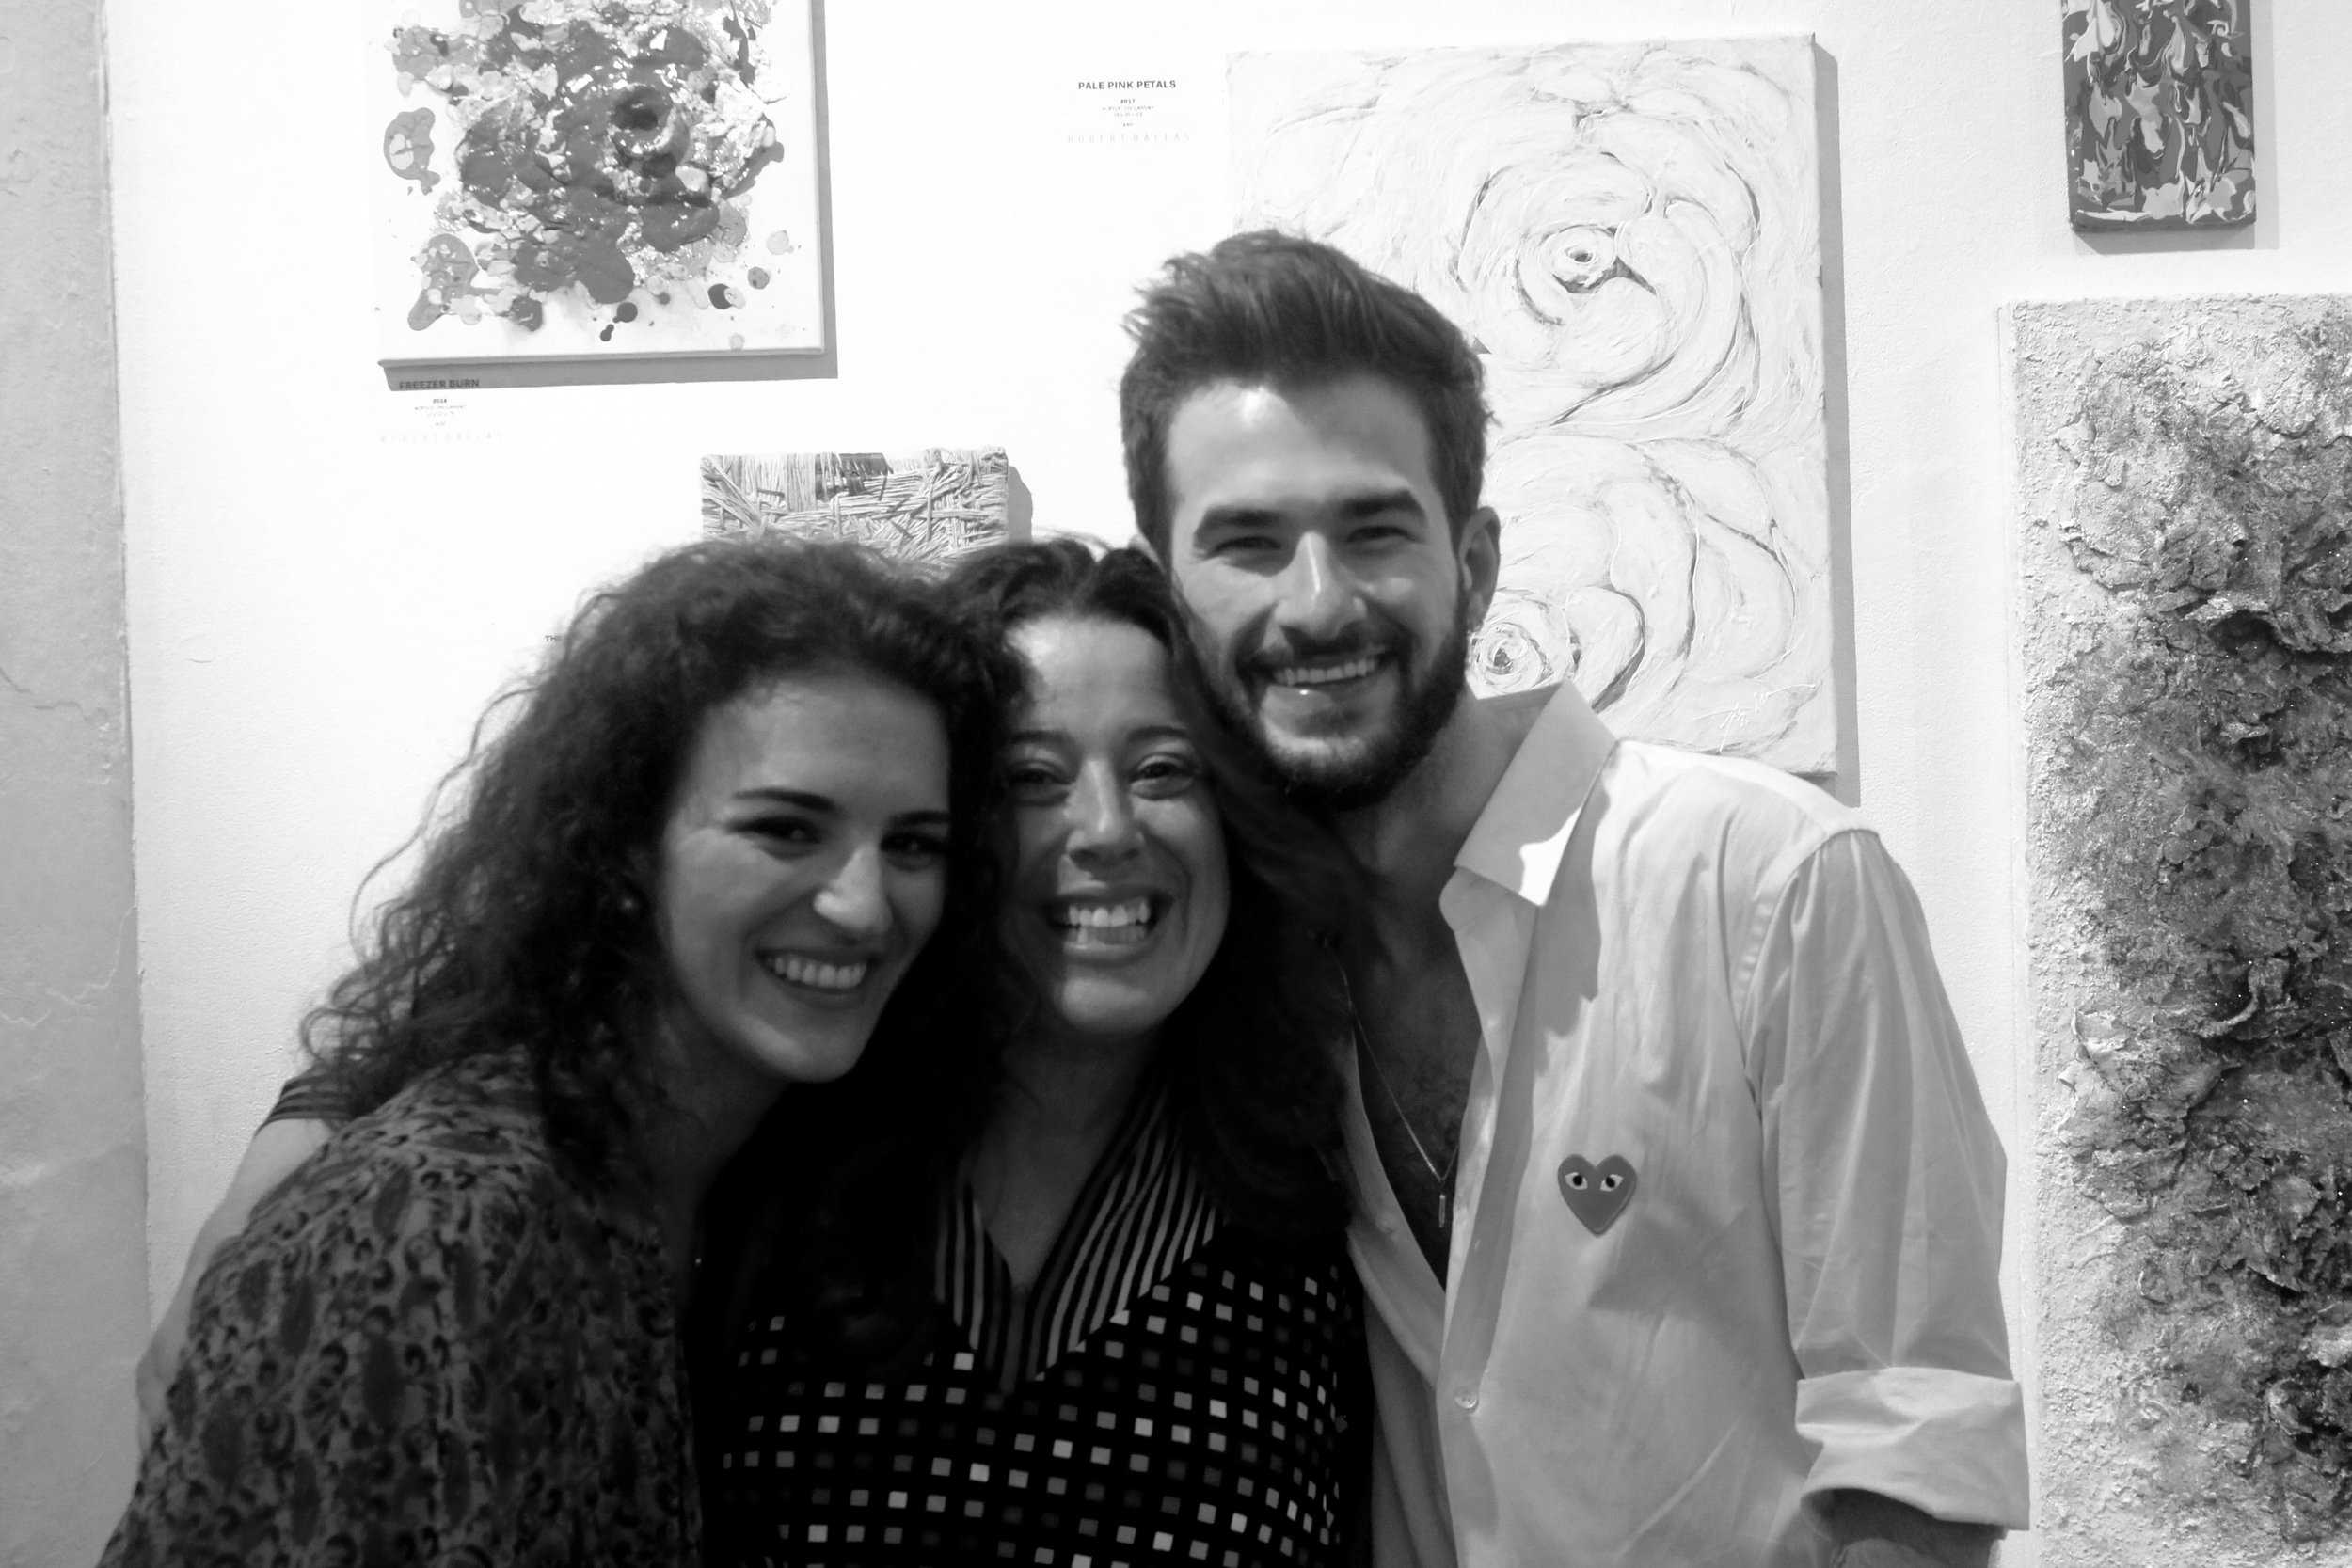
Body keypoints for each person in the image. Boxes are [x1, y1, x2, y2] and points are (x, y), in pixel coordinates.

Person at [1116, 230, 2031, 1567]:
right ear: (1168, 594)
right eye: (1247, 543)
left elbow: (1914, 1441)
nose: (1317, 604)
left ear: (1475, 563)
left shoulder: (1767, 879)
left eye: (1374, 530)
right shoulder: (1236, 965)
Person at [105, 537, 1015, 1567]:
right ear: (626, 844)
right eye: (785, 828)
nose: (864, 905)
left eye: (913, 844)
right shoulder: (439, 1225)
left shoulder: (759, 1177)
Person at [691, 539, 1372, 1567]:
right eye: (1030, 777)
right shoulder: (766, 1168)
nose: (1106, 828)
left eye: (1162, 769)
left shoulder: (1326, 1223)